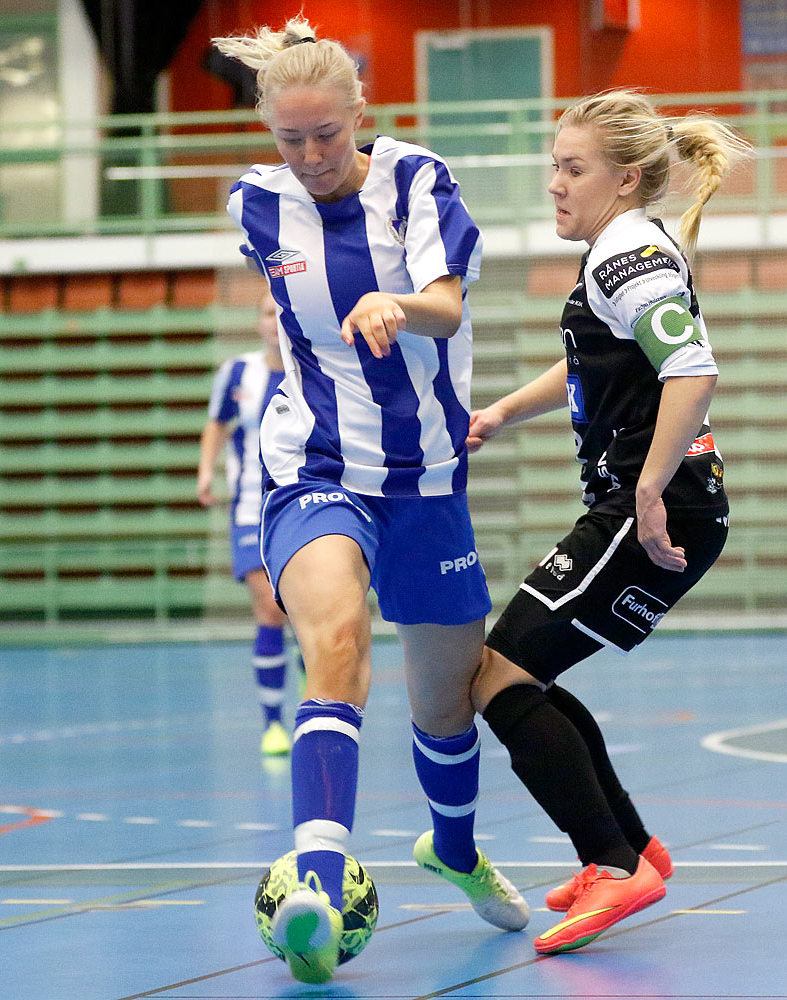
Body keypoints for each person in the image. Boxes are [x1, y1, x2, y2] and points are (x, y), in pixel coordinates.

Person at [212, 17, 527, 983]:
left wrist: (399, 305)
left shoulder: (419, 182)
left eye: (326, 136)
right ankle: (316, 879)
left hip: (427, 476)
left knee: (445, 702)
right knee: (337, 640)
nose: (308, 157)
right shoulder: (254, 207)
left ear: (362, 117)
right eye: (288, 139)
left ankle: (457, 850)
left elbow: (449, 300)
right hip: (312, 463)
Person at [465, 89, 750, 955]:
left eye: (573, 168)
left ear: (626, 179)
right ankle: (633, 851)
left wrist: (651, 489)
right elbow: (596, 362)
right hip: (657, 502)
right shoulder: (622, 250)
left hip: (649, 506)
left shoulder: (625, 251)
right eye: (554, 164)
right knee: (523, 675)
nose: (555, 183)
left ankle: (611, 862)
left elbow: (691, 371)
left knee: (494, 679)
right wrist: (503, 412)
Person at [197, 293, 295, 756]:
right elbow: (217, 423)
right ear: (257, 322)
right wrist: (205, 471)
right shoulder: (237, 373)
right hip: (250, 510)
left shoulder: (314, 366)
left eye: (280, 313)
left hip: (303, 503)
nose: (273, 322)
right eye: (266, 313)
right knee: (270, 611)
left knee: (309, 615)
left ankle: (317, 706)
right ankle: (273, 723)